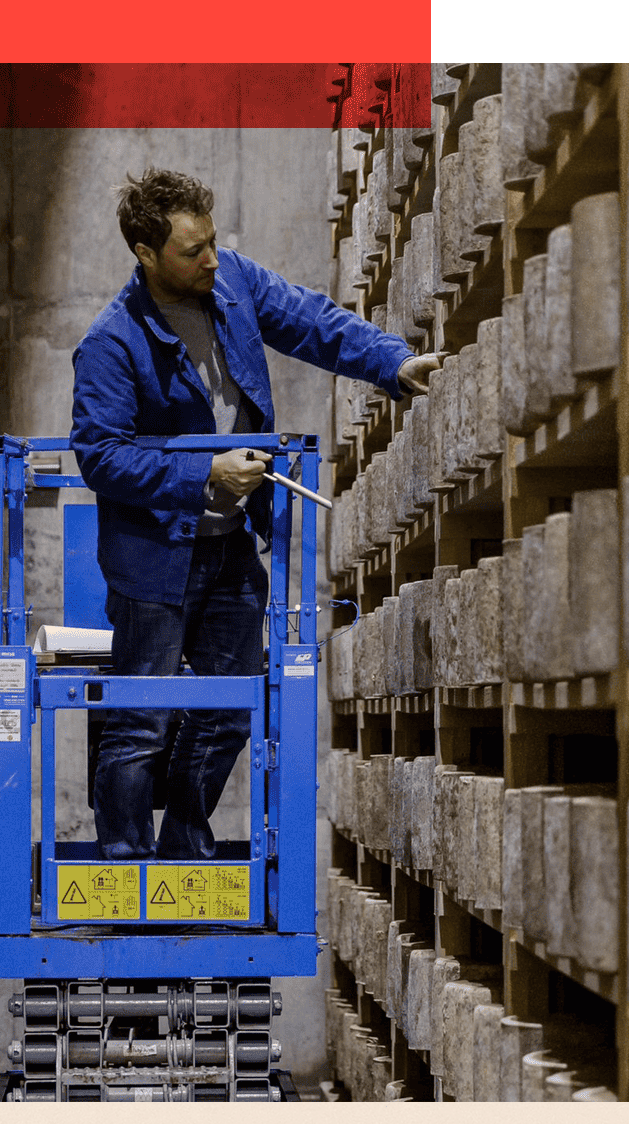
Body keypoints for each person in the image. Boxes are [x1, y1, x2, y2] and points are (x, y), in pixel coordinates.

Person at [70, 168, 438, 860]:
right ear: (146, 255)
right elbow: (101, 457)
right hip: (154, 556)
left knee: (229, 707)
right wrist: (204, 469)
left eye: (211, 242)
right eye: (191, 251)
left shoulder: (231, 279)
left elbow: (313, 323)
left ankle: (184, 843)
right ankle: (123, 864)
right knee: (140, 722)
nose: (210, 259)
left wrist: (394, 363)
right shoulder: (111, 343)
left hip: (231, 541)